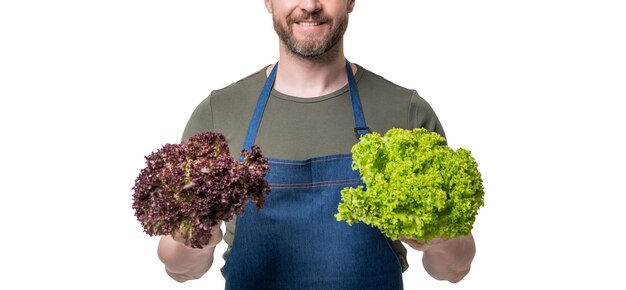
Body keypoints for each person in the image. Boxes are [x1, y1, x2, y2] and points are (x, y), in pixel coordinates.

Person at [157, 0, 476, 289]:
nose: (310, 5)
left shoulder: (406, 112)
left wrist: (438, 240)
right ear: (268, 1)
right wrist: (194, 241)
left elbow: (454, 269)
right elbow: (181, 270)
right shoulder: (219, 114)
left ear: (351, 1)